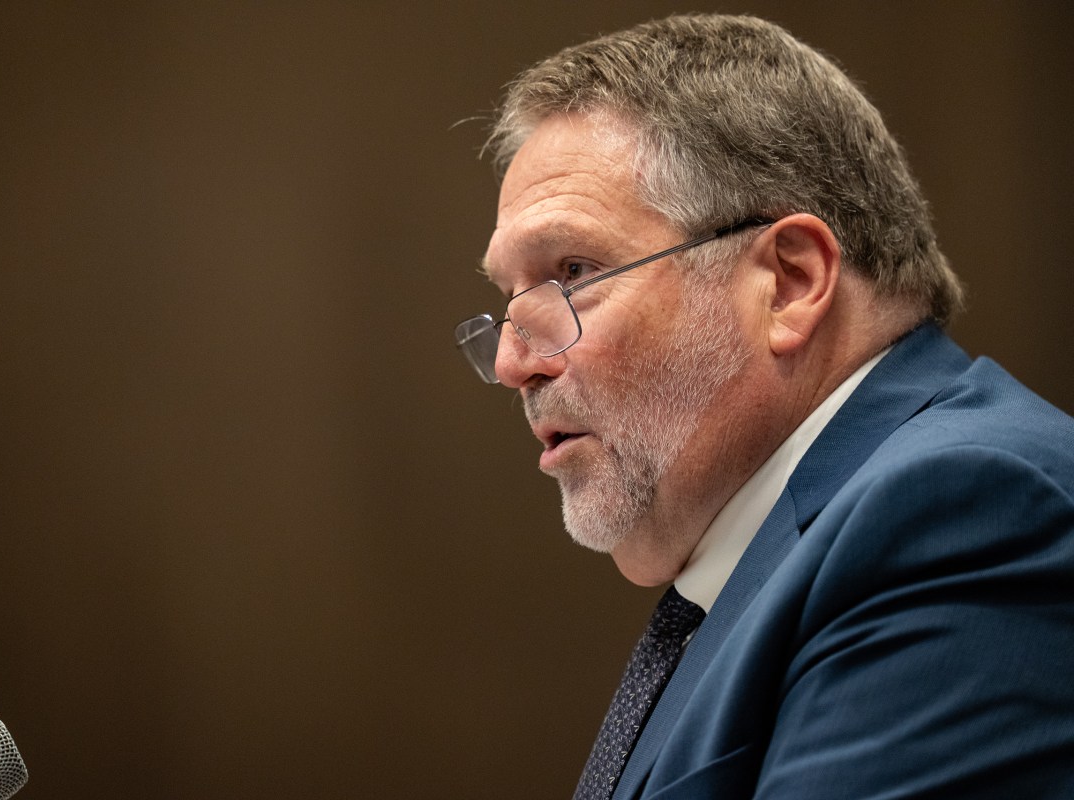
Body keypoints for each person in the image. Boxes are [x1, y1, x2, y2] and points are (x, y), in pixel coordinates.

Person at [453, 13, 1074, 800]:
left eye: (572, 272)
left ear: (789, 282)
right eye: (506, 304)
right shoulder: (762, 561)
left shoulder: (964, 516)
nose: (512, 363)